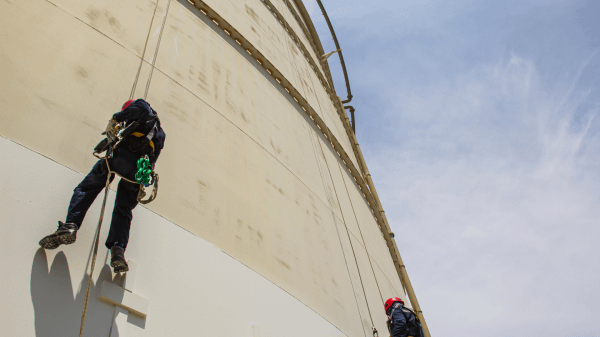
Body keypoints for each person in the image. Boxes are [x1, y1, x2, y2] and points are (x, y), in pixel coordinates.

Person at [39, 99, 166, 272]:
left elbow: (129, 114)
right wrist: (141, 183)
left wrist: (115, 119)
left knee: (86, 189)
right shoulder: (161, 133)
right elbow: (153, 159)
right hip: (137, 173)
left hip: (119, 159)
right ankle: (118, 250)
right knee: (123, 210)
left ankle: (70, 225)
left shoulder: (142, 106)